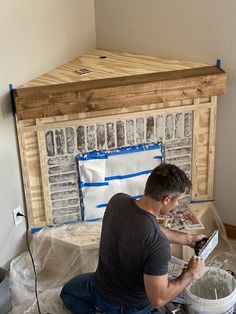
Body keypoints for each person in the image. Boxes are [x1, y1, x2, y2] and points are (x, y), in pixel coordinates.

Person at [61, 163, 205, 314]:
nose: (176, 205)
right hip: (131, 306)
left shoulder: (117, 202)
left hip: (101, 288)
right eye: (177, 200)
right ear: (167, 199)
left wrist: (188, 239)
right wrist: (190, 274)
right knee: (160, 299)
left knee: (68, 292)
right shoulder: (159, 244)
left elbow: (150, 228)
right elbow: (158, 299)